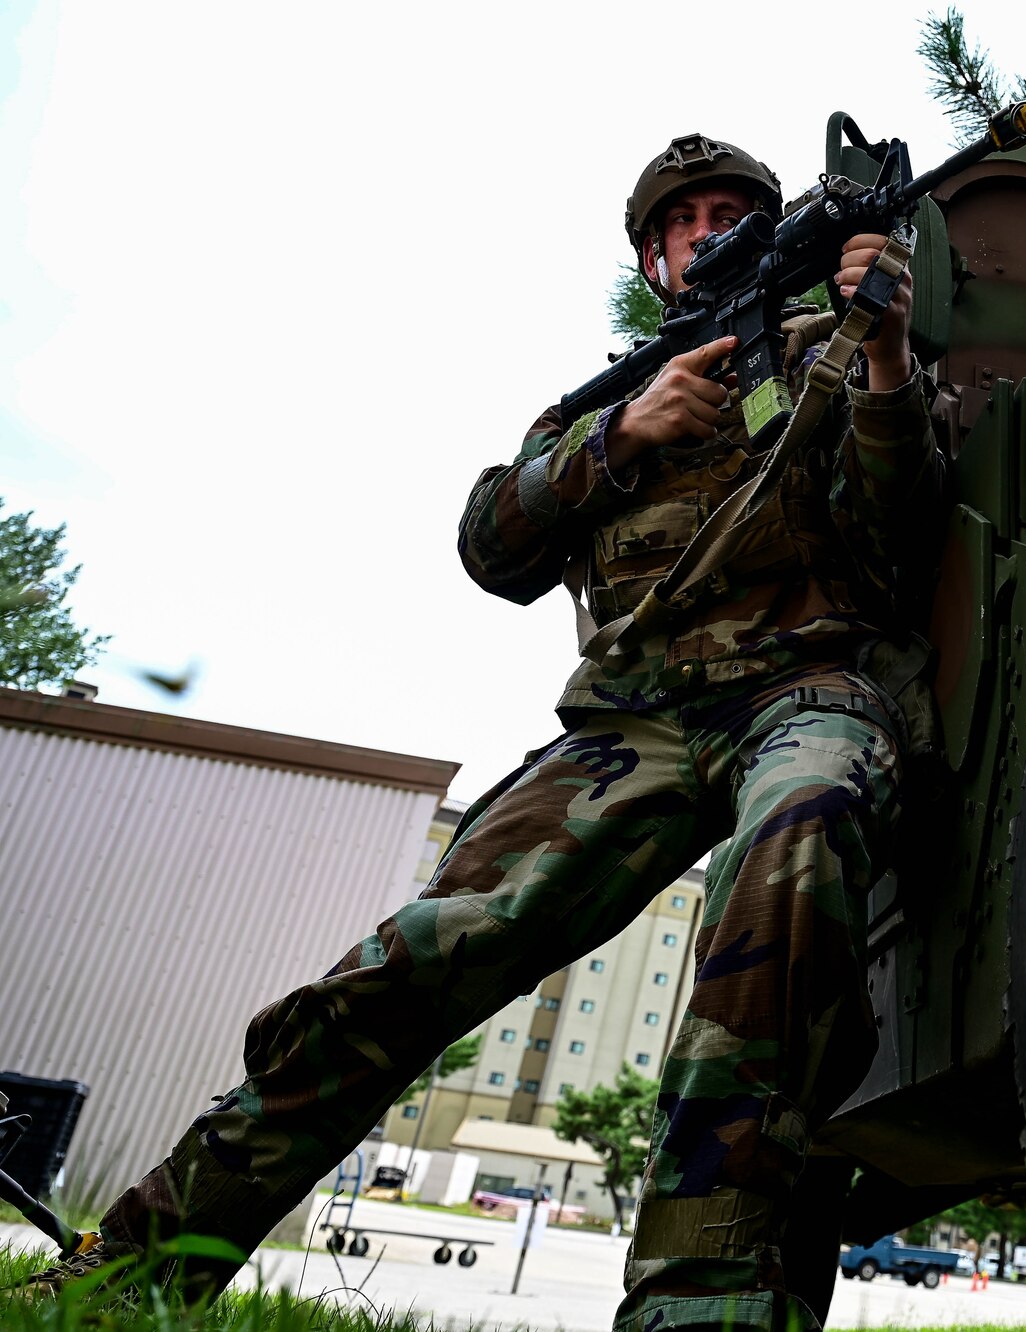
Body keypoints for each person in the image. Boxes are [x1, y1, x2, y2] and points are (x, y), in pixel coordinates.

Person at [25, 132, 942, 1332]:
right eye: (682, 218)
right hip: (635, 722)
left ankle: (707, 1306)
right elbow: (490, 547)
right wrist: (624, 441)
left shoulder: (838, 350)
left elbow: (904, 538)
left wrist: (877, 355)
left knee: (792, 859)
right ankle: (135, 1267)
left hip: (804, 693)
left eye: (731, 208)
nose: (706, 227)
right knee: (413, 958)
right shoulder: (610, 399)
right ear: (654, 260)